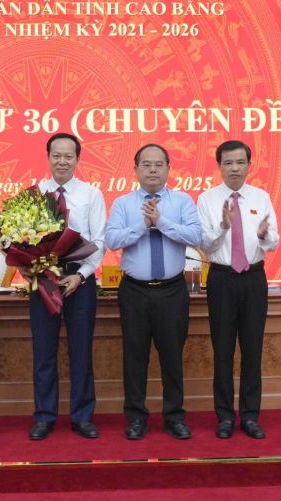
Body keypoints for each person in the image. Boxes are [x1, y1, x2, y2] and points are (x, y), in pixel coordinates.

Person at [105, 144, 202, 441]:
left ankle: (174, 416)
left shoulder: (182, 201)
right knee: (135, 357)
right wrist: (142, 226)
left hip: (173, 290)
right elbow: (112, 239)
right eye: (146, 165)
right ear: (135, 170)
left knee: (172, 356)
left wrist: (161, 222)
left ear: (168, 168)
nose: (152, 170)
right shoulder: (123, 204)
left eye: (158, 165)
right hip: (135, 292)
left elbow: (196, 235)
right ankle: (136, 417)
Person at [197, 140, 280, 440]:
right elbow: (206, 244)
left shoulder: (261, 196)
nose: (234, 168)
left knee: (252, 349)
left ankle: (250, 416)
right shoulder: (206, 199)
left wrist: (264, 234)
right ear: (219, 166)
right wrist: (222, 225)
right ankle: (224, 416)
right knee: (222, 349)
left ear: (249, 165)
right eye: (228, 163)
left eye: (240, 162)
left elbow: (273, 242)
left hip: (254, 280)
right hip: (221, 279)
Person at [27, 133, 106, 441]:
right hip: (44, 278)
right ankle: (45, 416)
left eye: (68, 156)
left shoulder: (91, 194)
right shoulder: (35, 195)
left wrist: (82, 275)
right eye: (56, 155)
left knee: (81, 350)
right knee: (44, 351)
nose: (62, 161)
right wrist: (29, 266)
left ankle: (82, 415)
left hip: (80, 280)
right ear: (48, 158)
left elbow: (99, 241)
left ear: (77, 159)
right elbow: (25, 239)